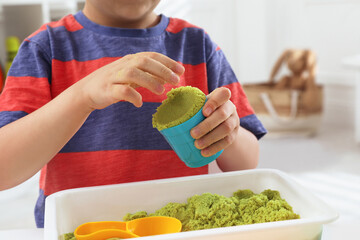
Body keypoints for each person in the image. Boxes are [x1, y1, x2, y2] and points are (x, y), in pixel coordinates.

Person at [0, 0, 266, 228]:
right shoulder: (45, 47)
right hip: (82, 228)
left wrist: (227, 130)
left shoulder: (198, 45)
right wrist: (81, 97)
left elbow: (246, 162)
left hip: (178, 228)